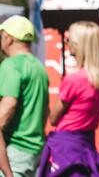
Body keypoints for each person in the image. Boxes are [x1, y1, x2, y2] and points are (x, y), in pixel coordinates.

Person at [37, 21, 99, 177]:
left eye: (69, 39)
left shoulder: (74, 80)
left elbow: (54, 118)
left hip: (66, 147)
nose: (67, 42)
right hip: (86, 143)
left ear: (79, 44)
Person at [0, 16, 49, 177]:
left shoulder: (11, 65)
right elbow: (44, 111)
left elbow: (8, 106)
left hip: (14, 153)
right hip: (35, 151)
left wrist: (8, 173)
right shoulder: (39, 67)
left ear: (9, 38)